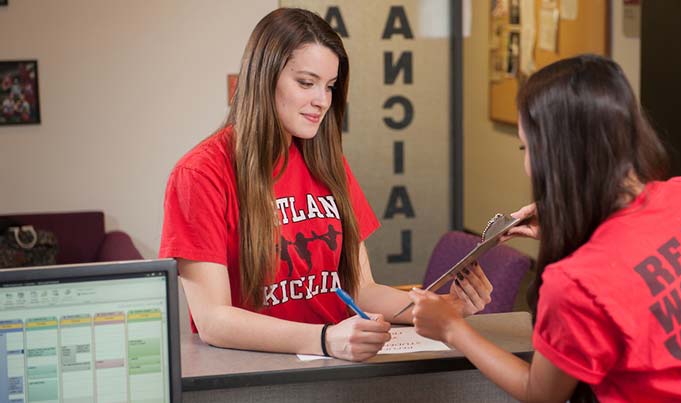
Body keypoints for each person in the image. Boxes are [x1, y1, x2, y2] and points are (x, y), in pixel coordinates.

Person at [408, 55, 681, 401]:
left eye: (526, 149)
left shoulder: (577, 281)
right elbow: (644, 278)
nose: (527, 165)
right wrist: (579, 229)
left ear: (557, 157)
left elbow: (540, 392)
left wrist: (453, 330)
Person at [159, 8, 493, 362]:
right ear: (263, 78)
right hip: (257, 375)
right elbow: (214, 320)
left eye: (330, 86)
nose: (322, 100)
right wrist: (324, 339)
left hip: (334, 370)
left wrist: (441, 308)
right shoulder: (200, 174)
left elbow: (361, 289)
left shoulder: (326, 163)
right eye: (306, 82)